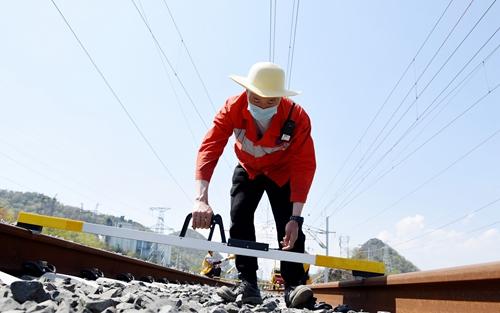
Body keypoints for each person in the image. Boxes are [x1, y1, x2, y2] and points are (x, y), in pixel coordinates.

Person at [192, 62, 317, 308]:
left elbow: (304, 166)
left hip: (282, 173)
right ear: (246, 91)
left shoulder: (298, 118)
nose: (261, 105)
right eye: (256, 99)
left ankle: (293, 286)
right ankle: (247, 282)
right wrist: (201, 198)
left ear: (281, 97)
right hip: (248, 169)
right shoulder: (232, 108)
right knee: (239, 217)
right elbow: (210, 147)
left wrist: (296, 218)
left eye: (270, 101)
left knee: (289, 226)